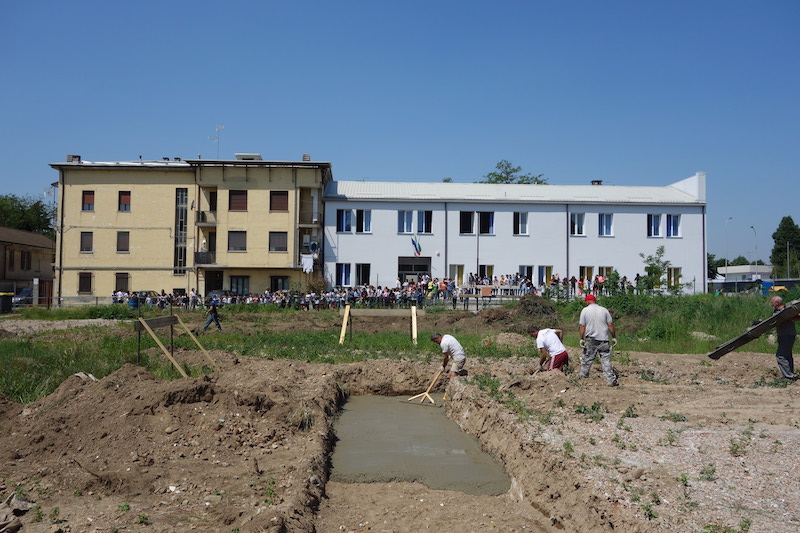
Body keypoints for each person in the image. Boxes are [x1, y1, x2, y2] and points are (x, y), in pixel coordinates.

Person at [578, 294, 618, 386]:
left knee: (587, 359)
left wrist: (581, 338)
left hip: (591, 339)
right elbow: (610, 325)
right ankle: (610, 380)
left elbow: (582, 326)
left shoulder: (585, 310)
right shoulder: (604, 310)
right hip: (604, 339)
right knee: (606, 360)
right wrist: (614, 337)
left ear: (587, 301)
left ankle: (583, 377)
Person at [770, 296, 798, 381]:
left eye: (772, 302)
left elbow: (798, 316)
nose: (771, 304)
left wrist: (790, 318)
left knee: (781, 355)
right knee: (787, 355)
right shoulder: (777, 311)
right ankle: (790, 374)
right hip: (783, 335)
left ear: (777, 303)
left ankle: (788, 376)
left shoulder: (787, 311)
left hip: (787, 335)